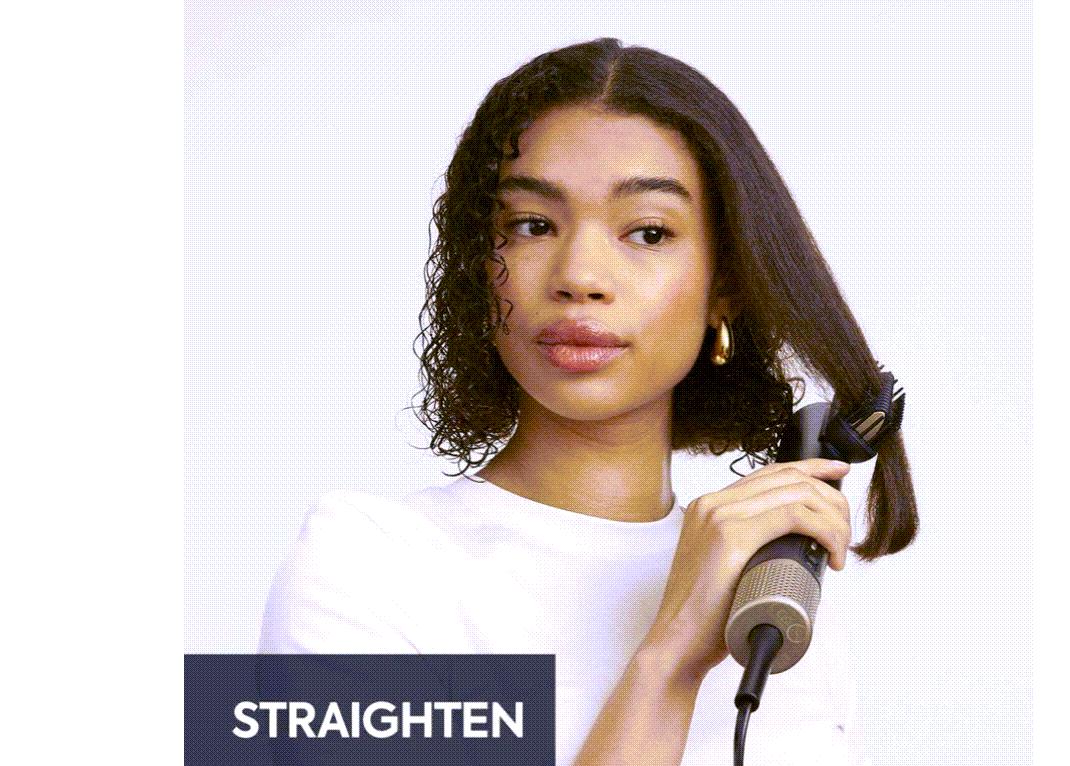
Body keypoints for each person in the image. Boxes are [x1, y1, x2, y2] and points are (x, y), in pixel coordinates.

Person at [260, 37, 918, 766]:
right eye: (532, 225)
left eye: (648, 232)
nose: (580, 275)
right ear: (480, 264)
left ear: (724, 287)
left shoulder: (773, 599)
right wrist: (673, 653)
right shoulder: (362, 562)